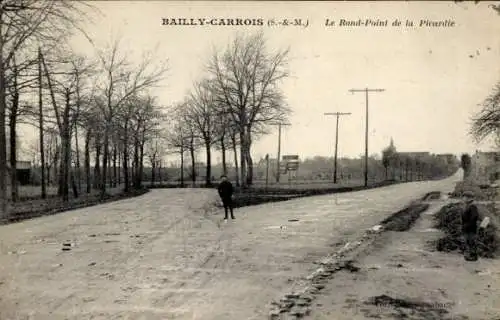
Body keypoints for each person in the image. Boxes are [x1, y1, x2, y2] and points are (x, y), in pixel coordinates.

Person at [461, 191, 486, 261]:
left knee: (471, 242)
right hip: (467, 227)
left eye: (464, 197)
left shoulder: (472, 206)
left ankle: (473, 257)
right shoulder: (468, 205)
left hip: (471, 227)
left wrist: (468, 225)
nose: (463, 198)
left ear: (469, 198)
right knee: (468, 241)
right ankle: (470, 256)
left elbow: (474, 217)